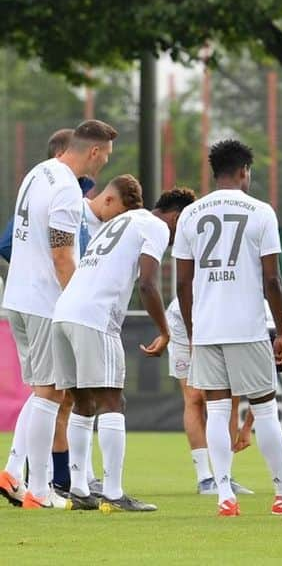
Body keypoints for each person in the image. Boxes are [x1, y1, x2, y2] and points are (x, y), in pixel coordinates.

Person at [174, 139, 282, 517]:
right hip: (247, 327)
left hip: (207, 329)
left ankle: (224, 496)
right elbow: (272, 280)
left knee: (218, 412)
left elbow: (182, 283)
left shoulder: (191, 214)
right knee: (265, 410)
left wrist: (192, 332)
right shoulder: (260, 211)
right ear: (243, 171)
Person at [0, 119, 117, 509]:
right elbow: (62, 253)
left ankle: (17, 473)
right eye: (105, 157)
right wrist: (77, 302)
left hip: (16, 297)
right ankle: (38, 490)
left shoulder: (38, 172)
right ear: (95, 151)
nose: (103, 166)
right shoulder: (67, 186)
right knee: (51, 395)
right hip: (44, 302)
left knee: (43, 393)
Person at [50, 175, 177, 511]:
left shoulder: (113, 224)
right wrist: (165, 330)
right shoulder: (156, 226)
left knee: (82, 403)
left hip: (63, 313)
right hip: (94, 316)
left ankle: (78, 490)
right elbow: (148, 284)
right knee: (112, 401)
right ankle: (114, 493)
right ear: (176, 216)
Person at [162, 187, 254, 497]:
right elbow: (182, 283)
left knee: (227, 397)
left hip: (216, 316)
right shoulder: (196, 227)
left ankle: (224, 475)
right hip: (186, 316)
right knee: (194, 397)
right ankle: (205, 476)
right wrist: (186, 333)